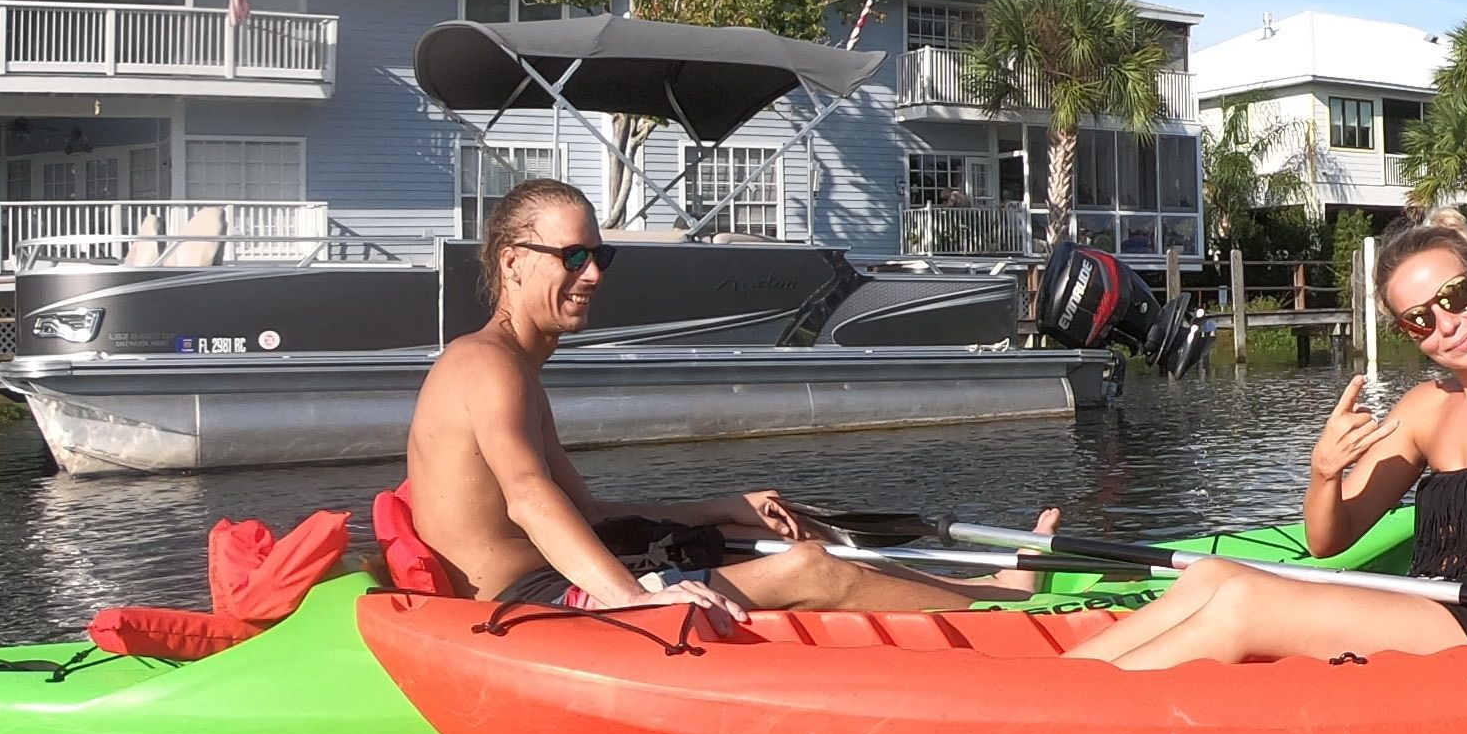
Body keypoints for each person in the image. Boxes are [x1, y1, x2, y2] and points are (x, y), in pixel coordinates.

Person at [1071, 218, 1467, 669]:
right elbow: (1329, 539)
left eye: (1454, 297)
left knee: (1240, 603)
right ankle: (1052, 685)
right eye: (1419, 319)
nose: (1446, 325)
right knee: (1209, 574)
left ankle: (1063, 712)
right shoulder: (1425, 408)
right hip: (1430, 602)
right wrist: (1323, 470)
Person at [404, 179, 1011, 615]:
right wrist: (637, 602)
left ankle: (988, 593)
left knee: (802, 543)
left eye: (599, 255)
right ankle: (1012, 622)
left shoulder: (517, 370)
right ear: (512, 263)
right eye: (574, 256)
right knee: (810, 569)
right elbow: (530, 501)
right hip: (530, 605)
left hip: (552, 579)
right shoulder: (486, 365)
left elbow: (587, 515)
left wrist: (723, 505)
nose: (594, 274)